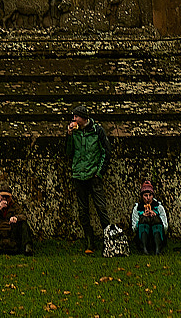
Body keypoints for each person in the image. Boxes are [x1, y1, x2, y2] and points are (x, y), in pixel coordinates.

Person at [65, 107, 111, 254]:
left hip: (93, 175)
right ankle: (89, 242)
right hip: (79, 175)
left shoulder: (97, 131)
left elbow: (106, 151)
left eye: (76, 117)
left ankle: (108, 239)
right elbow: (68, 152)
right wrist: (69, 135)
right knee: (83, 211)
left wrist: (99, 172)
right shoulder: (74, 131)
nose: (74, 119)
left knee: (101, 208)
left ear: (84, 118)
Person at [0, 186, 34, 255]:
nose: (5, 199)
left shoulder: (15, 206)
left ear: (11, 197)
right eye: (3, 196)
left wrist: (16, 218)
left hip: (11, 233)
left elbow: (23, 216)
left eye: (7, 197)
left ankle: (28, 247)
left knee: (24, 224)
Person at [129, 179, 167, 254]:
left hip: (156, 235)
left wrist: (156, 216)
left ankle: (158, 248)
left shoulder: (159, 207)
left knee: (156, 222)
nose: (148, 198)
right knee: (143, 222)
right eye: (145, 195)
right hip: (143, 236)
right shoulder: (137, 208)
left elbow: (165, 227)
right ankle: (144, 248)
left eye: (150, 195)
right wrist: (142, 217)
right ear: (142, 196)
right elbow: (134, 228)